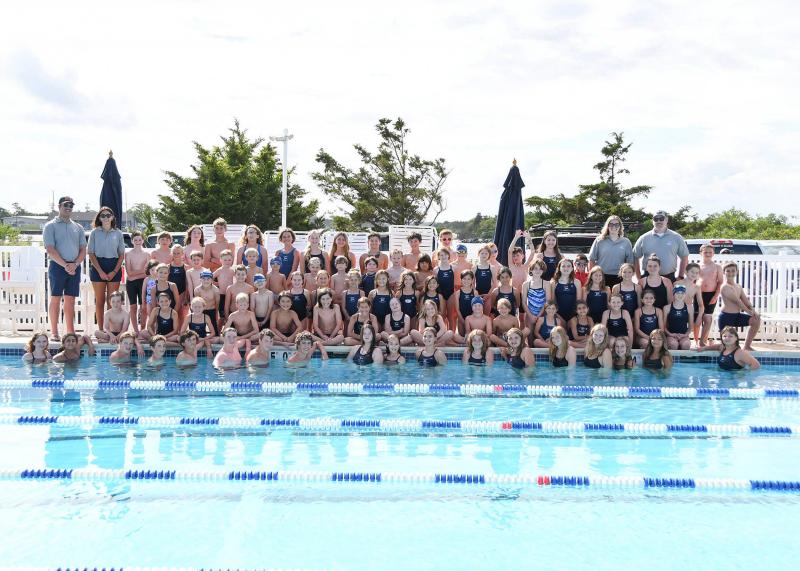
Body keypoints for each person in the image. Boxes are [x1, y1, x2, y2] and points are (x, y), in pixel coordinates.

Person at [43, 196, 87, 341]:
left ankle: (70, 331)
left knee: (70, 300)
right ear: (59, 206)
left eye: (71, 205)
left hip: (74, 266)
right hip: (58, 266)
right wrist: (65, 265)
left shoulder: (78, 227)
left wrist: (74, 264)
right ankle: (54, 332)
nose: (68, 207)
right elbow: (50, 249)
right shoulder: (50, 226)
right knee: (55, 299)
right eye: (65, 205)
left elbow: (83, 249)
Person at [89, 207, 127, 332]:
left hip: (114, 267)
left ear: (112, 217)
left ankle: (111, 331)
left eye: (108, 215)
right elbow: (91, 253)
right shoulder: (94, 233)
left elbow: (121, 254)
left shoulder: (118, 233)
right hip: (97, 266)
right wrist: (100, 271)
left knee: (112, 302)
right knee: (99, 301)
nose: (105, 217)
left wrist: (114, 271)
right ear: (99, 218)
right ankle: (101, 330)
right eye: (103, 215)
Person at [632, 210, 689, 282]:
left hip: (669, 278)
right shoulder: (644, 238)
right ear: (652, 221)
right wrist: (639, 277)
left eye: (661, 218)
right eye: (656, 219)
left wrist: (680, 276)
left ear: (667, 220)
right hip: (648, 278)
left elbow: (684, 256)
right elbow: (635, 257)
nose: (658, 221)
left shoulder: (676, 237)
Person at [717, 262, 762, 351]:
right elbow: (737, 302)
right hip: (726, 317)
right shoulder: (724, 287)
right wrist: (749, 312)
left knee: (756, 320)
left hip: (737, 316)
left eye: (733, 271)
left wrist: (753, 310)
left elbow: (745, 301)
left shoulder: (738, 286)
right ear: (724, 272)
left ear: (736, 272)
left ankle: (747, 346)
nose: (730, 273)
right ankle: (706, 348)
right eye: (728, 271)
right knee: (726, 348)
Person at [588, 215, 634, 287]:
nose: (614, 226)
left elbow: (630, 263)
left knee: (616, 298)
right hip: (601, 277)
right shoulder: (599, 240)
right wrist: (592, 277)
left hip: (620, 277)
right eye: (611, 224)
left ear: (620, 226)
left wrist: (628, 278)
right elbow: (591, 259)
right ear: (607, 226)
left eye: (616, 224)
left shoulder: (626, 242)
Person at [698, 243, 724, 346]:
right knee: (697, 318)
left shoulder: (717, 267)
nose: (708, 254)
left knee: (707, 318)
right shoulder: (698, 266)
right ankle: (696, 340)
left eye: (710, 252)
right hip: (698, 295)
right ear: (700, 253)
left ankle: (702, 341)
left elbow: (720, 282)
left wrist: (716, 295)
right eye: (705, 252)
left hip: (711, 295)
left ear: (713, 253)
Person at [125, 231, 150, 335]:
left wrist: (137, 274)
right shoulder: (128, 254)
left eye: (140, 239)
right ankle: (136, 330)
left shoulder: (147, 254)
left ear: (143, 240)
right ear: (132, 241)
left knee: (143, 306)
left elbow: (147, 273)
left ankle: (142, 329)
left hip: (143, 282)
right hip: (131, 283)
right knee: (133, 306)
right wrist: (142, 272)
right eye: (135, 240)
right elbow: (129, 273)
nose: (138, 242)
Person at [675, 263, 704, 345]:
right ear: (686, 272)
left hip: (688, 311)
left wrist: (699, 316)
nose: (694, 274)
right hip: (676, 309)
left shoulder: (696, 287)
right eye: (692, 272)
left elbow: (701, 305)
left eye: (696, 273)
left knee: (691, 311)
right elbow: (671, 300)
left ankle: (694, 340)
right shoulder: (677, 284)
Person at [521, 259, 550, 332]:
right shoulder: (526, 284)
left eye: (540, 269)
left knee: (540, 336)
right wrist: (530, 315)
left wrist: (539, 315)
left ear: (543, 270)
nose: (538, 271)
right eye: (536, 268)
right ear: (531, 270)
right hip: (529, 314)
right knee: (530, 338)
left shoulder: (546, 284)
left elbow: (547, 302)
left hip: (542, 314)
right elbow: (524, 302)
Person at [552, 258, 582, 323]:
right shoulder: (554, 283)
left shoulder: (577, 282)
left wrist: (574, 317)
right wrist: (557, 316)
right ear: (559, 268)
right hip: (558, 315)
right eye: (563, 266)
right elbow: (553, 302)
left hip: (573, 315)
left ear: (572, 268)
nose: (566, 268)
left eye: (568, 266)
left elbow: (578, 302)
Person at [663, 285, 693, 350]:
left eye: (682, 293)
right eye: (677, 293)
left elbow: (690, 326)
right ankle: (672, 360)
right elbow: (664, 326)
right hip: (670, 335)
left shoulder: (689, 307)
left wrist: (685, 335)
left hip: (684, 335)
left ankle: (682, 360)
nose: (680, 295)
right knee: (673, 344)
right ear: (673, 294)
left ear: (685, 294)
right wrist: (670, 334)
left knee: (686, 345)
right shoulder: (667, 308)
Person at [449, 269, 477, 336]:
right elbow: (457, 309)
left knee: (472, 335)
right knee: (461, 336)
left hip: (472, 318)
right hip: (461, 319)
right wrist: (463, 321)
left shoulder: (475, 292)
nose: (466, 281)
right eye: (464, 279)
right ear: (461, 280)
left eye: (468, 279)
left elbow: (476, 308)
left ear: (472, 280)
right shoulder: (458, 293)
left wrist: (470, 320)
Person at [213, 250, 235, 323]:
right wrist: (215, 284)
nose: (227, 262)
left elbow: (237, 279)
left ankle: (230, 329)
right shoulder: (219, 270)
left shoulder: (233, 270)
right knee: (222, 315)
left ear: (232, 260)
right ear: (221, 260)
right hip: (222, 294)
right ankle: (218, 332)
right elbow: (210, 277)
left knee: (230, 313)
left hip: (231, 295)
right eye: (225, 260)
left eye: (229, 260)